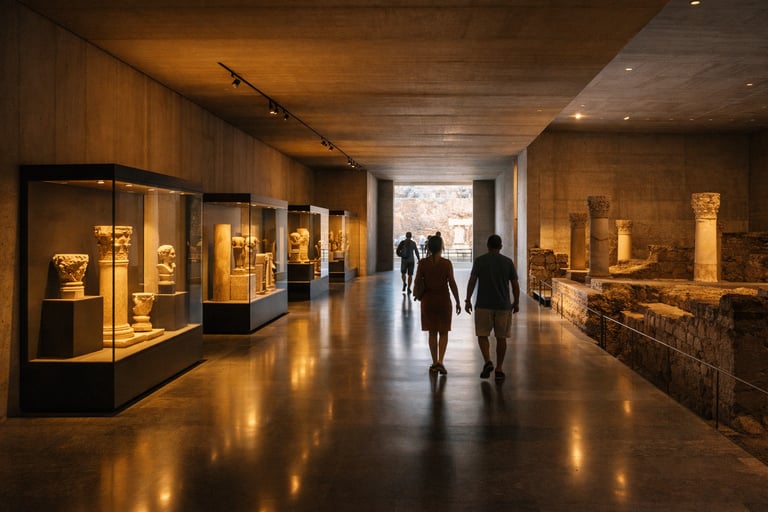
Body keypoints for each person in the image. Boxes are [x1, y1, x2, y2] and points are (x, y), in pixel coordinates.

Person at [464, 234, 520, 381]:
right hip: (503, 305)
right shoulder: (508, 262)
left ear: (487, 246)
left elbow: (472, 281)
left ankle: (488, 361)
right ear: (500, 247)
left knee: (482, 334)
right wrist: (517, 302)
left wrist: (467, 300)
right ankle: (499, 368)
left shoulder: (480, 261)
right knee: (501, 337)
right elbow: (515, 285)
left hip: (483, 304)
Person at [414, 235, 461, 375]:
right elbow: (452, 283)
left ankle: (434, 362)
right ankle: (441, 361)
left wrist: (418, 293)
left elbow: (417, 282)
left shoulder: (423, 263)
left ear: (428, 247)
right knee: (444, 331)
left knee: (432, 332)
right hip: (443, 300)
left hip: (428, 301)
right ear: (441, 247)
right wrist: (458, 300)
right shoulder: (446, 263)